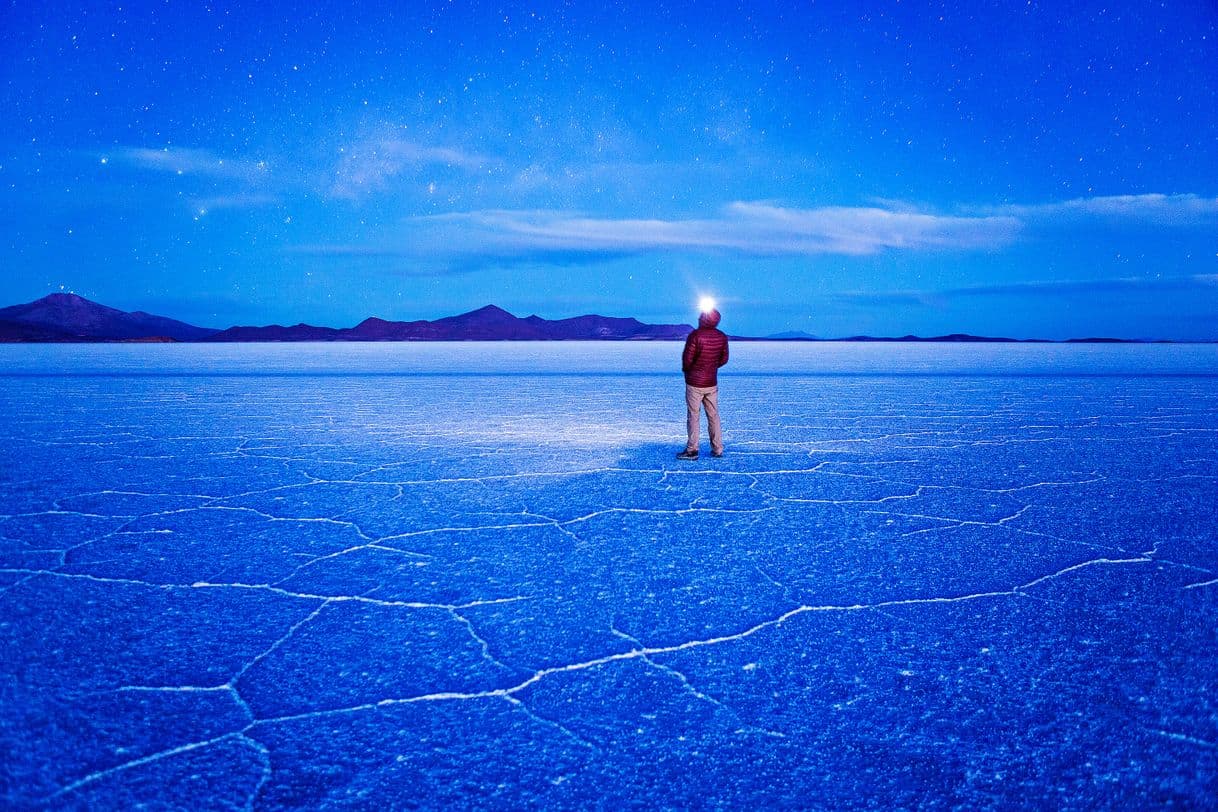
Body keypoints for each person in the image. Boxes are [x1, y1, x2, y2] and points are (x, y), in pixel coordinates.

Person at [677, 306, 729, 460]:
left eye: (701, 316)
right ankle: (718, 449)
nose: (699, 317)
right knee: (713, 416)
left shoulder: (695, 336)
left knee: (693, 416)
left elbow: (687, 360)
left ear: (705, 319)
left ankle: (692, 450)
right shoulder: (722, 337)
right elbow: (724, 359)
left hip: (694, 383)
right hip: (711, 383)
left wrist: (690, 371)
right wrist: (711, 367)